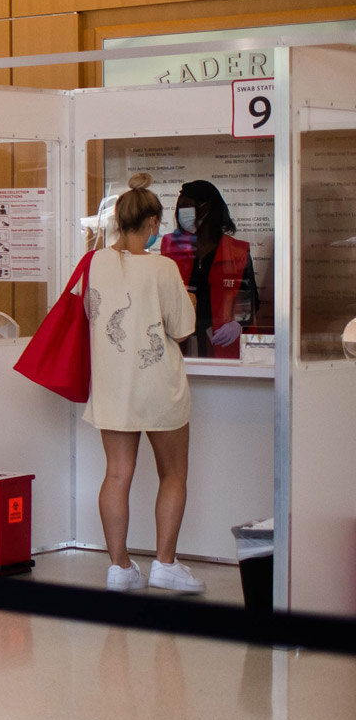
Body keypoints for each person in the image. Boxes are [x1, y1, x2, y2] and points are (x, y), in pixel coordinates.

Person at [85, 174, 203, 594]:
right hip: (159, 387)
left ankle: (119, 568)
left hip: (113, 386)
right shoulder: (163, 267)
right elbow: (183, 329)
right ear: (152, 222)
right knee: (173, 474)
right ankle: (165, 565)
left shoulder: (96, 263)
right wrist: (188, 299)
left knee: (117, 474)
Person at [160, 179, 258, 360]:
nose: (182, 212)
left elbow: (250, 299)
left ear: (207, 207)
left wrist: (238, 324)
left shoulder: (237, 251)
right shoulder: (171, 246)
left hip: (220, 339)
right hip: (180, 338)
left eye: (188, 206)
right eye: (180, 207)